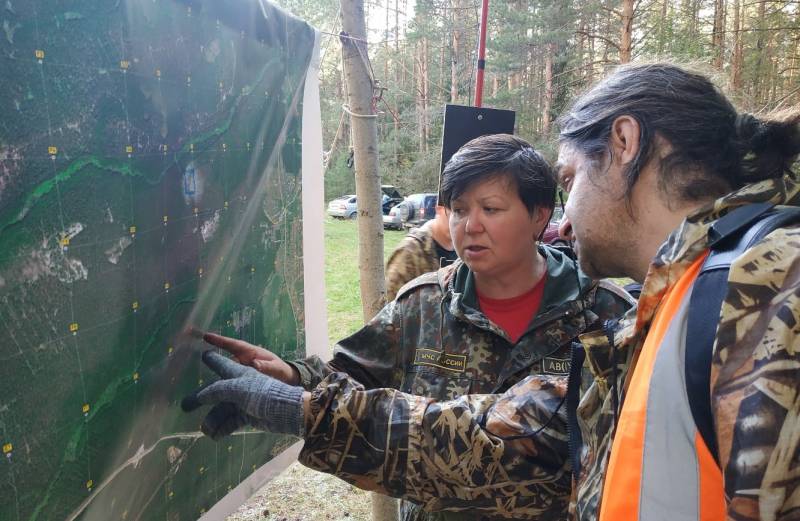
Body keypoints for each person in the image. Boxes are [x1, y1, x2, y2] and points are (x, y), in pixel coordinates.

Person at [183, 134, 633, 521]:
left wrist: (297, 407)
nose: (470, 226)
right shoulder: (423, 303)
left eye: (491, 208)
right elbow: (352, 374)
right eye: (458, 209)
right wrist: (291, 377)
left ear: (538, 216)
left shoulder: (605, 316)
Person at [384, 204, 457, 302]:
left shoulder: (465, 250)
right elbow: (390, 306)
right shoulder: (410, 251)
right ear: (439, 209)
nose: (457, 222)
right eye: (456, 212)